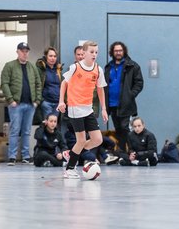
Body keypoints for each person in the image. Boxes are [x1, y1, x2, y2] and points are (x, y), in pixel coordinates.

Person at [57, 40, 108, 179]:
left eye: (96, 52)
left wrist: (103, 109)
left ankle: (71, 153)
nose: (94, 54)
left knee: (97, 140)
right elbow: (64, 83)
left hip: (88, 109)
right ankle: (69, 169)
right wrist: (61, 101)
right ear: (84, 53)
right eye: (91, 52)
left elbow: (100, 89)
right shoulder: (75, 67)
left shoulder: (98, 69)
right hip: (74, 108)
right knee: (80, 140)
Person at [0, 42, 42, 166]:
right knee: (15, 130)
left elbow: (38, 84)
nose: (25, 53)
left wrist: (37, 101)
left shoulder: (32, 67)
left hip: (30, 104)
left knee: (27, 131)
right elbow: (4, 83)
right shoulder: (9, 66)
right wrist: (10, 99)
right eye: (22, 51)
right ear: (17, 52)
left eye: (26, 51)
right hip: (16, 105)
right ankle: (12, 157)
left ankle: (25, 156)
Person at [104, 41, 144, 153]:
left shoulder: (132, 66)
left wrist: (131, 95)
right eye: (116, 50)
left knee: (125, 128)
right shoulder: (108, 67)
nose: (118, 52)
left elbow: (139, 83)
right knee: (118, 129)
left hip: (126, 104)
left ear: (124, 51)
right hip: (111, 104)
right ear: (112, 52)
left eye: (120, 50)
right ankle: (122, 152)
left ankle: (131, 151)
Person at [36, 47, 63, 118]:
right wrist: (42, 101)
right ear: (46, 56)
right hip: (46, 103)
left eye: (54, 56)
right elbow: (37, 85)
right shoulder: (41, 70)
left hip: (57, 103)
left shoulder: (58, 70)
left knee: (54, 124)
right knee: (47, 124)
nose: (52, 58)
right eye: (50, 56)